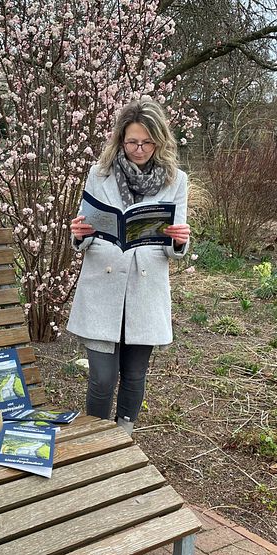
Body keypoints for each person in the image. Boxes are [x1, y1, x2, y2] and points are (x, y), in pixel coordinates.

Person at [66, 99, 191, 435]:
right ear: (120, 139)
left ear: (160, 141)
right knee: (102, 376)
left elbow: (175, 244)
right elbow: (86, 224)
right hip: (102, 286)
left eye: (147, 142)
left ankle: (123, 438)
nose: (139, 149)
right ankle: (95, 438)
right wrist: (80, 234)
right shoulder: (99, 173)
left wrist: (179, 240)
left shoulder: (176, 180)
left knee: (135, 375)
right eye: (132, 141)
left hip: (144, 288)